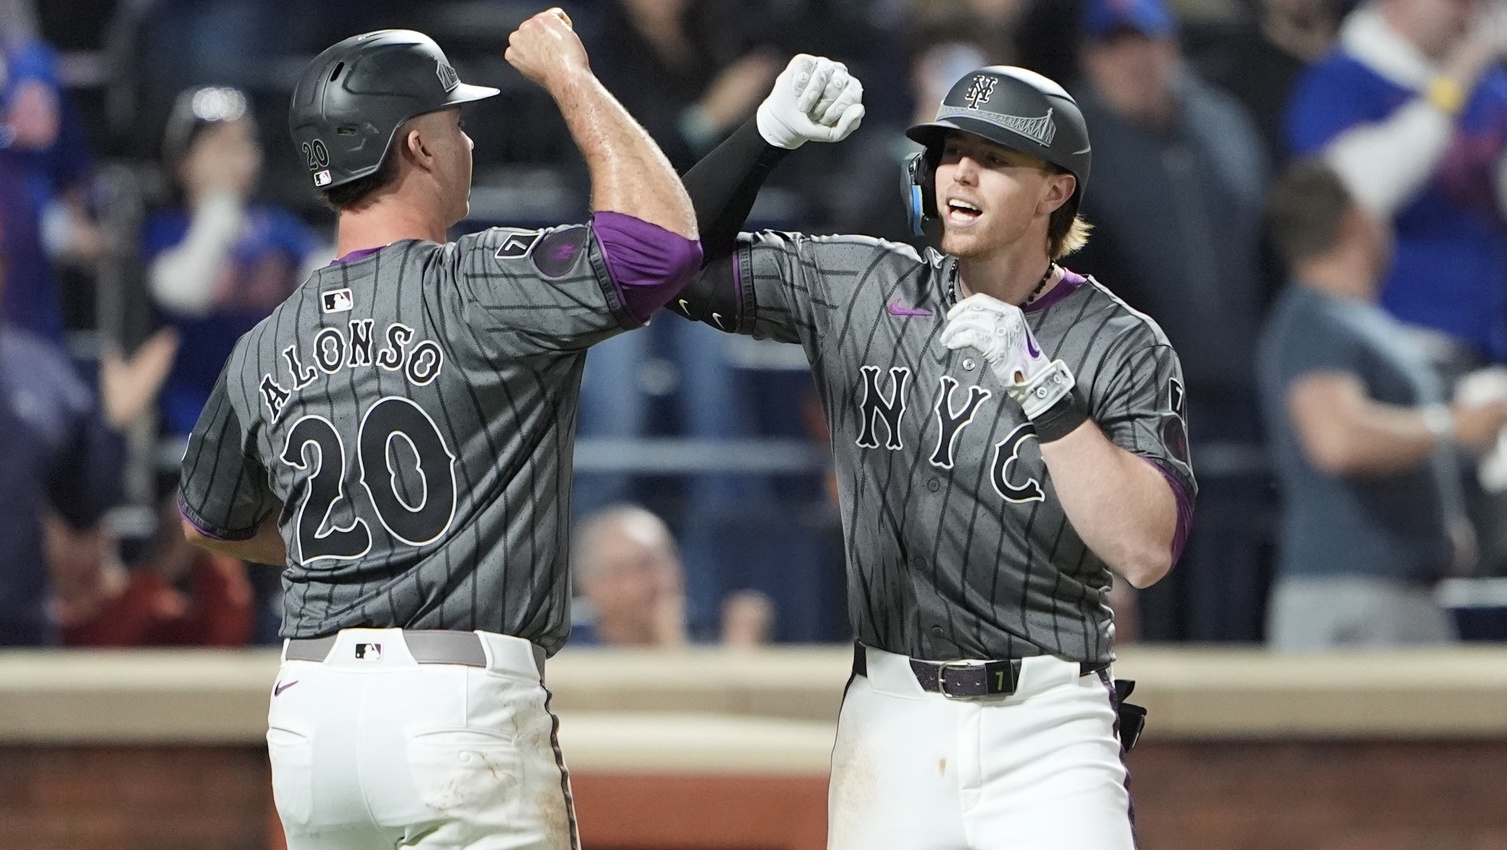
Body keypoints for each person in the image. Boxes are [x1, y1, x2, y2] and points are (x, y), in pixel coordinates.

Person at [175, 14, 723, 848]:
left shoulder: (266, 340)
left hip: (311, 716)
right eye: (455, 123)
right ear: (418, 146)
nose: (466, 141)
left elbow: (205, 520)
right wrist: (571, 77)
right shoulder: (480, 283)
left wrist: (349, 556)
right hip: (454, 702)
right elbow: (660, 246)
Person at [672, 60, 1193, 848]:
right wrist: (765, 137)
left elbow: (1144, 550)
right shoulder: (858, 286)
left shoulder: (1120, 342)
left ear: (1055, 191)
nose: (961, 173)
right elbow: (668, 264)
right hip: (891, 712)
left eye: (993, 157)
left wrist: (1043, 390)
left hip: (1048, 717)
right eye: (949, 153)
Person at [1067, 0, 1272, 643]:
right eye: (1114, 45)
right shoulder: (1068, 146)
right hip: (1127, 404)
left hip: (1235, 391)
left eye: (1145, 41)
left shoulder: (1223, 126)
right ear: (1090, 58)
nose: (1133, 60)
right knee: (1146, 585)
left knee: (1235, 588)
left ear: (1172, 46)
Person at [1286, 0, 1507, 574]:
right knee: (1420, 552)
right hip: (1393, 355)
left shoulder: (1491, 87)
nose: (1471, 11)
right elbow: (1359, 195)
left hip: (1488, 355)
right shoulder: (1343, 80)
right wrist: (1454, 82)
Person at [1256, 159, 1507, 650]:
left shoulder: (1353, 320)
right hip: (1351, 599)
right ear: (1356, 223)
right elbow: (1337, 440)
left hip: (1390, 597)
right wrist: (1454, 426)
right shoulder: (1313, 320)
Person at [146, 84, 326, 438]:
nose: (238, 158)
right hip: (192, 431)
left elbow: (330, 274)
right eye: (220, 146)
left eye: (245, 143)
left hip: (274, 422)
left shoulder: (276, 227)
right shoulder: (165, 231)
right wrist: (218, 214)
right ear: (183, 163)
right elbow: (185, 294)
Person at [568, 503, 776, 647]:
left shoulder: (705, 639)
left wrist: (741, 654)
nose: (659, 580)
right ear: (591, 584)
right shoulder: (567, 654)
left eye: (666, 561)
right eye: (642, 566)